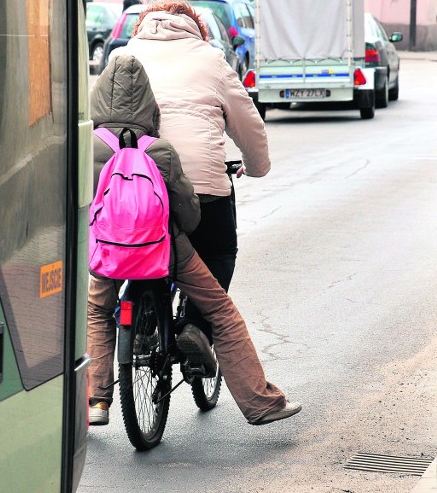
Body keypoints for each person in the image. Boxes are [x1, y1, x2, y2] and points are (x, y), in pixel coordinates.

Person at [87, 54, 301, 427]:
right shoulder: (160, 150)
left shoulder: (89, 147)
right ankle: (260, 403)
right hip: (163, 247)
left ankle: (97, 402)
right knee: (219, 309)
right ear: (148, 104)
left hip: (107, 252)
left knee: (97, 312)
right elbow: (187, 210)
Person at [111, 0, 269, 337]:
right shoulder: (211, 59)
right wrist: (256, 167)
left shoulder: (121, 56)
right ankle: (196, 328)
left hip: (129, 185)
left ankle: (143, 316)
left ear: (140, 27)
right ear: (198, 30)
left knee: (132, 246)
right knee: (220, 251)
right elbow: (248, 124)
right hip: (200, 186)